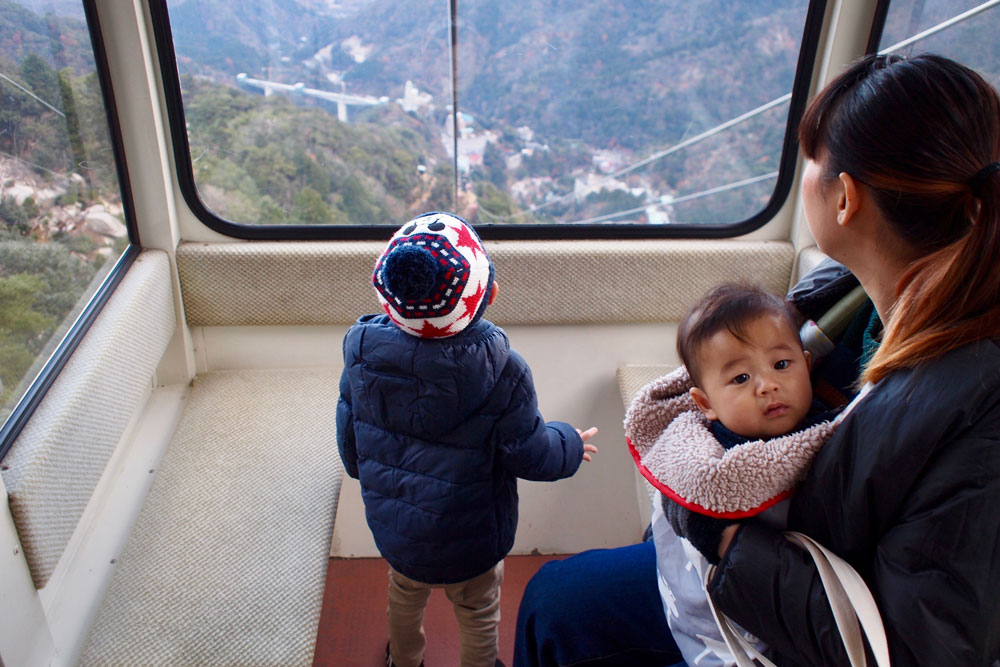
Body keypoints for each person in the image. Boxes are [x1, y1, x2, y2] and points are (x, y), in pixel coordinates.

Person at [514, 53, 1000, 667]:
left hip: (813, 622)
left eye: (813, 163)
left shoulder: (979, 405)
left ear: (844, 197)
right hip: (781, 558)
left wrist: (723, 537)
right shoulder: (849, 297)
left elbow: (920, 646)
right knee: (555, 605)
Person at [337, 211, 599, 667]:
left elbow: (350, 441)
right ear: (490, 294)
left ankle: (404, 659)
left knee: (403, 596)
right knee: (479, 610)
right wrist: (570, 444)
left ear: (388, 298)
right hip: (472, 536)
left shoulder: (361, 355)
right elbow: (531, 453)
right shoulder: (503, 370)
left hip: (396, 528)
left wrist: (372, 477)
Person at [623, 282, 839, 667]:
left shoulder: (833, 435)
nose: (768, 384)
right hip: (700, 596)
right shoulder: (707, 452)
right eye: (740, 379)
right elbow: (686, 489)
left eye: (782, 365)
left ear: (808, 365)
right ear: (706, 404)